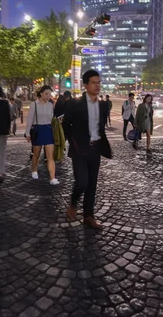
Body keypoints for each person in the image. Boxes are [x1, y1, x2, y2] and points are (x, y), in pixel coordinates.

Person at [63, 70, 112, 229]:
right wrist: (72, 142)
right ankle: (73, 204)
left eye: (99, 82)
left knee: (92, 184)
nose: (97, 85)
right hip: (79, 150)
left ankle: (88, 216)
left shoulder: (104, 105)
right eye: (93, 82)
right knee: (82, 182)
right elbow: (66, 125)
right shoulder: (75, 103)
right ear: (85, 85)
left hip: (95, 149)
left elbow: (101, 128)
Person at [25, 86, 58, 185]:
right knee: (36, 154)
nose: (48, 96)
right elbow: (30, 119)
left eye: (49, 94)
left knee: (50, 156)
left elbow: (52, 118)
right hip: (37, 129)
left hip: (48, 129)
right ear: (41, 93)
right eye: (46, 94)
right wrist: (27, 133)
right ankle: (34, 169)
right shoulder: (34, 104)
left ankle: (52, 178)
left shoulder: (50, 105)